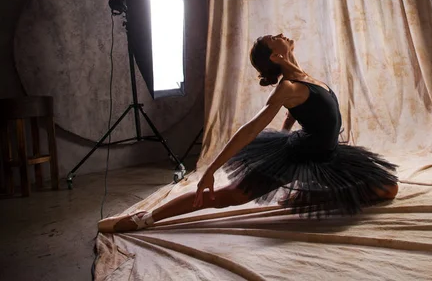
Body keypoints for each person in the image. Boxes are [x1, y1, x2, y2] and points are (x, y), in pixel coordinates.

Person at [98, 33, 399, 233]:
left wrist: (284, 131)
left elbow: (299, 112)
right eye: (274, 38)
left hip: (326, 153)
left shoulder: (306, 78)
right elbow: (249, 130)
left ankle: (305, 196)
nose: (281, 34)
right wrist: (210, 170)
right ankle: (144, 219)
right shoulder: (288, 87)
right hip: (301, 152)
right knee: (229, 196)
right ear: (275, 57)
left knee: (388, 190)